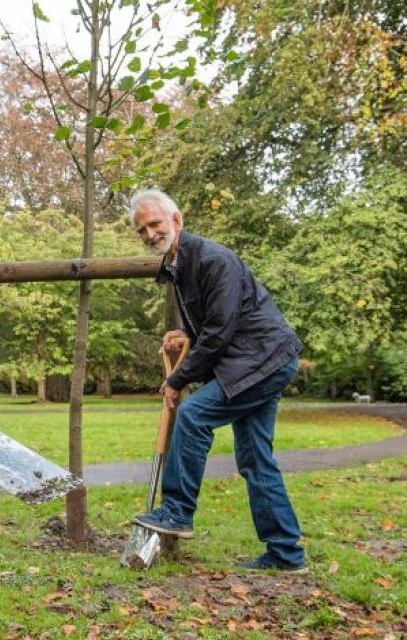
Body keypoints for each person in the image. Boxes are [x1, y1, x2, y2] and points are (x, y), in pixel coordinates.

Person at [129, 189, 308, 574]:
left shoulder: (213, 259)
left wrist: (178, 378)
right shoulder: (179, 265)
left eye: (155, 223)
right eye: (141, 229)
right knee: (256, 458)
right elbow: (214, 322)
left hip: (261, 362)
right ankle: (285, 553)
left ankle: (177, 512)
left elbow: (220, 333)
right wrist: (183, 333)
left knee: (193, 415)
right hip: (254, 363)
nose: (149, 233)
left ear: (177, 219)